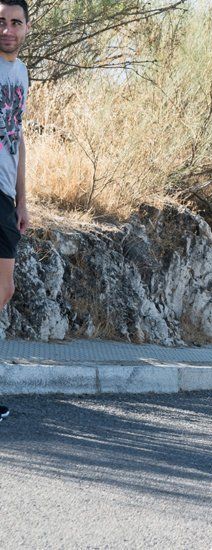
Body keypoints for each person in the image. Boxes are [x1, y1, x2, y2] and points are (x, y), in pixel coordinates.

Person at [0, 0, 31, 426]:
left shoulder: (21, 73)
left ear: (26, 27)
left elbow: (18, 135)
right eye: (0, 22)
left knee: (3, 290)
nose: (7, 29)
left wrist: (23, 198)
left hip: (5, 195)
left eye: (14, 22)